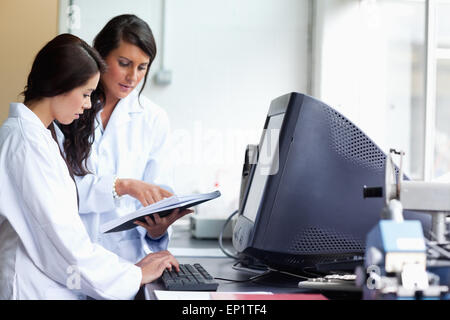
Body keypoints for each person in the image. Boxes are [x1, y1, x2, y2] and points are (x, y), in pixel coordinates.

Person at [0, 33, 179, 300]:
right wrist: (134, 274)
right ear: (60, 84)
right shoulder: (26, 144)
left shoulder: (38, 137)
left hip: (59, 281)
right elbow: (63, 243)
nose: (87, 105)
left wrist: (127, 269)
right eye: (85, 93)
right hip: (33, 288)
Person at [55, 14, 191, 264]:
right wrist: (122, 185)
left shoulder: (153, 119)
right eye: (124, 63)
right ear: (101, 57)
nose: (133, 77)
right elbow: (58, 191)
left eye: (142, 67)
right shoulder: (69, 109)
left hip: (126, 262)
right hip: (69, 257)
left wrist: (158, 228)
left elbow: (159, 193)